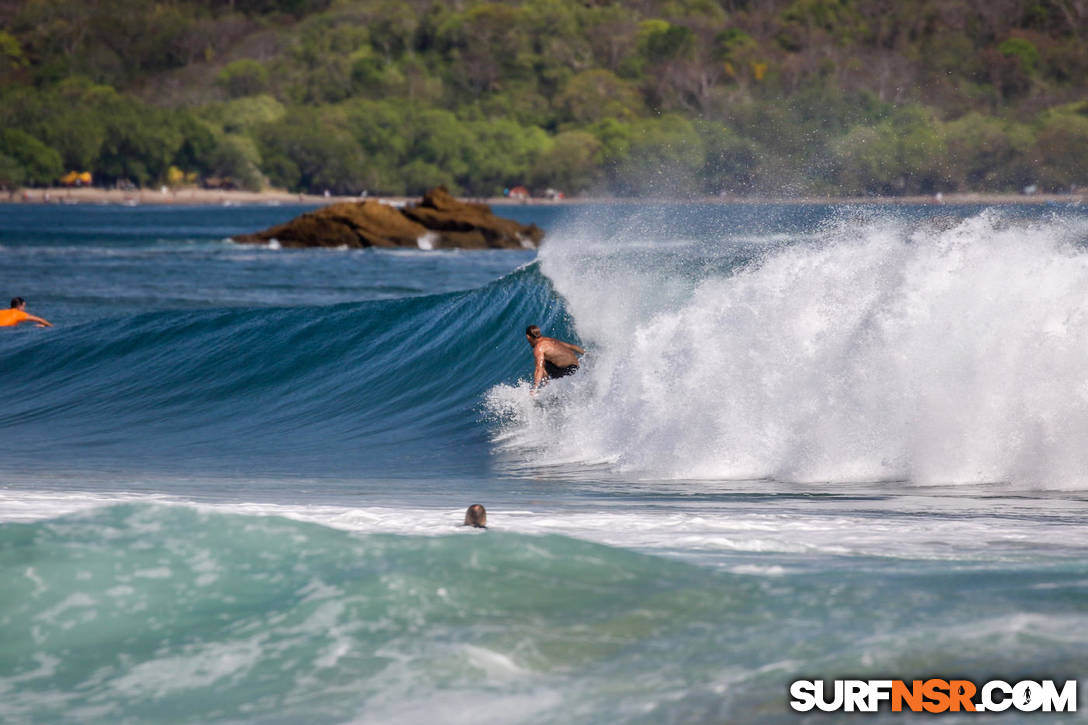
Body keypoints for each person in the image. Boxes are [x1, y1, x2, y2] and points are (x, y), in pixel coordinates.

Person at [525, 324, 584, 393]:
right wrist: (586, 354)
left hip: (568, 372)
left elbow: (539, 368)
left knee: (540, 363)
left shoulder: (539, 348)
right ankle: (548, 388)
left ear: (528, 337)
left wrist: (535, 388)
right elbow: (571, 346)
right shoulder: (549, 340)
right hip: (576, 367)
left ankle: (548, 389)